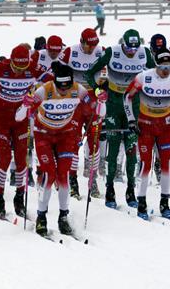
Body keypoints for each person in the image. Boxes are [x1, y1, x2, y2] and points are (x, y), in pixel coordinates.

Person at [20, 62, 101, 237]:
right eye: (60, 87)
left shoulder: (78, 89)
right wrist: (25, 105)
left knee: (63, 175)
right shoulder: (45, 90)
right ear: (55, 82)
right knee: (49, 174)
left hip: (65, 136)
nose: (63, 91)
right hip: (44, 135)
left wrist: (100, 100)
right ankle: (41, 217)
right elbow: (20, 116)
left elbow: (98, 111)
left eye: (67, 87)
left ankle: (63, 217)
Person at [86, 29, 156, 209]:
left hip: (133, 103)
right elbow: (89, 72)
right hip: (114, 102)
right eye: (128, 48)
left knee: (132, 148)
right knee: (114, 147)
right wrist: (97, 90)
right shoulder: (112, 51)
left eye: (135, 48)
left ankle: (131, 188)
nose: (132, 52)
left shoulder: (144, 53)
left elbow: (155, 74)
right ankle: (109, 188)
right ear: (122, 43)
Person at [124, 50, 170, 220]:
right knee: (146, 164)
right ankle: (142, 202)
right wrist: (131, 120)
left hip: (165, 125)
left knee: (166, 163)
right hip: (145, 125)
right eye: (162, 67)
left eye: (168, 66)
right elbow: (127, 97)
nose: (166, 70)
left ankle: (165, 203)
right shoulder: (144, 77)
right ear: (156, 65)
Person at [0, 44, 44, 219]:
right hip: (0, 119)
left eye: (23, 67)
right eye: (16, 67)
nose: (20, 71)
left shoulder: (32, 68)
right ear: (11, 61)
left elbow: (53, 76)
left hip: (20, 119)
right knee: (5, 158)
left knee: (22, 159)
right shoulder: (0, 67)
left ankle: (19, 198)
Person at [60, 27, 105, 197]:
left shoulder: (101, 52)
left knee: (94, 141)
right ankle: (73, 181)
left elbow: (108, 75)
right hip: (74, 101)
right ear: (82, 42)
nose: (92, 48)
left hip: (92, 101)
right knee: (74, 142)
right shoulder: (70, 52)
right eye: (89, 45)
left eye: (95, 45)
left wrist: (103, 88)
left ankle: (92, 181)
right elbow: (58, 73)